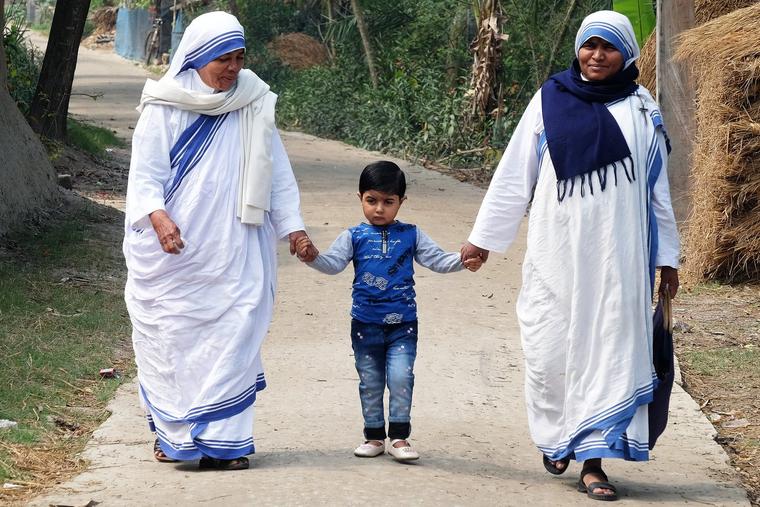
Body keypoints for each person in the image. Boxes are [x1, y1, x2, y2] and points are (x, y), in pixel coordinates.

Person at [461, 11, 680, 501]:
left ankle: (593, 461)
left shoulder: (643, 110)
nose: (597, 55)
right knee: (548, 347)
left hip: (618, 262)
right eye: (589, 45)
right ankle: (558, 435)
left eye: (609, 47)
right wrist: (483, 240)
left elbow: (657, 191)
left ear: (628, 53)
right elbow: (516, 173)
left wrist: (669, 259)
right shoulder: (549, 101)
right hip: (555, 253)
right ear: (578, 49)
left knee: (607, 351)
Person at [123, 11, 315, 471]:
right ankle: (173, 436)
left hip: (237, 247)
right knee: (172, 338)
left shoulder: (253, 100)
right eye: (221, 59)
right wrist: (159, 217)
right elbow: (146, 175)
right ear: (197, 59)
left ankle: (227, 441)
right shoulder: (164, 104)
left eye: (238, 58)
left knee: (237, 328)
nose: (231, 68)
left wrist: (294, 226)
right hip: (177, 252)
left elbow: (277, 171)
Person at [294, 161, 481, 461]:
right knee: (369, 381)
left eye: (388, 202)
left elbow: (437, 260)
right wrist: (311, 256)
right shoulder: (353, 236)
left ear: (401, 202)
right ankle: (374, 437)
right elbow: (332, 265)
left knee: (400, 378)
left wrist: (463, 260)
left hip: (403, 326)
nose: (379, 209)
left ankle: (399, 438)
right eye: (372, 200)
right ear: (360, 198)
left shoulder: (412, 234)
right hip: (364, 324)